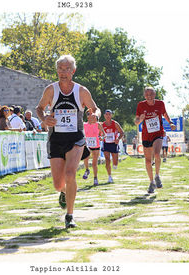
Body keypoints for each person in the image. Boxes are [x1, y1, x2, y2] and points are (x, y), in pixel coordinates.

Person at [36, 54, 100, 229]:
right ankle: (64, 192)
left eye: (67, 69)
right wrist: (44, 119)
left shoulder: (81, 91)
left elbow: (95, 108)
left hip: (75, 138)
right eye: (60, 69)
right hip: (56, 138)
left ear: (73, 71)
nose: (63, 73)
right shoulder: (51, 90)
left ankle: (69, 215)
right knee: (58, 184)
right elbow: (39, 108)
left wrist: (95, 115)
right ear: (57, 70)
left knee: (71, 174)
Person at [134, 87, 176, 193]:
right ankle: (151, 182)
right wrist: (140, 120)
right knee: (148, 161)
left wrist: (170, 122)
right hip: (146, 135)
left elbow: (165, 114)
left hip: (158, 133)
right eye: (147, 94)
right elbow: (136, 121)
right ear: (144, 96)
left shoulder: (160, 104)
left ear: (155, 95)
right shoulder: (141, 105)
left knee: (157, 154)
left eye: (151, 94)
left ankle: (157, 175)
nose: (149, 96)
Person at [83, 108, 105, 186]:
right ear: (87, 116)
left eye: (91, 113)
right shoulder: (84, 124)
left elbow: (103, 134)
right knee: (86, 158)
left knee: (94, 163)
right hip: (87, 144)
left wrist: (102, 137)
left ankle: (95, 178)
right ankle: (87, 170)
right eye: (88, 114)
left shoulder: (98, 124)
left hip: (96, 145)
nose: (90, 115)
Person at [101, 109, 124, 183]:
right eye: (106, 114)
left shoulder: (115, 123)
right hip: (106, 143)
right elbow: (99, 134)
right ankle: (109, 176)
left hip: (114, 144)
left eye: (109, 114)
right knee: (107, 160)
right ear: (104, 116)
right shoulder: (102, 125)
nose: (108, 116)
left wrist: (118, 138)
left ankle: (115, 164)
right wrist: (101, 138)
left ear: (111, 115)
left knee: (115, 162)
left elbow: (122, 132)